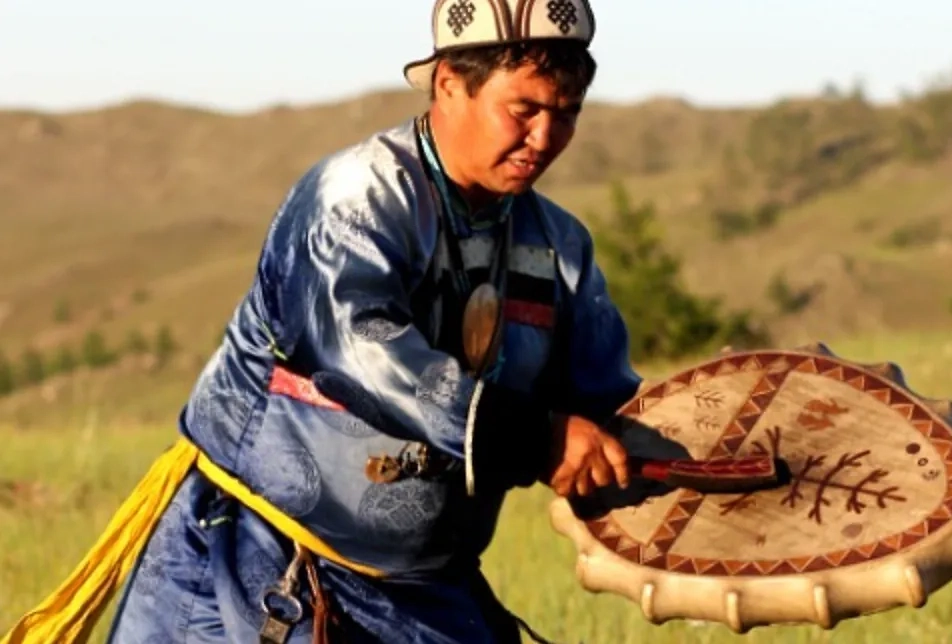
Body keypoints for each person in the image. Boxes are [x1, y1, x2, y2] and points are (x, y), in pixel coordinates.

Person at [1, 1, 643, 642]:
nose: (545, 139)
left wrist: (705, 466)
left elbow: (606, 409)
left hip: (423, 589)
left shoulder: (560, 247)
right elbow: (361, 350)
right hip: (255, 564)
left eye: (566, 115)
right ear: (449, 84)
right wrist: (535, 440)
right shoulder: (356, 198)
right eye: (524, 110)